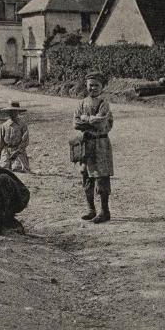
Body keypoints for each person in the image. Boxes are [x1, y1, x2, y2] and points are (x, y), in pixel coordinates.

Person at [73, 70, 114, 223]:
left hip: (101, 143)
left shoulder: (104, 104)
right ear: (86, 86)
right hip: (86, 143)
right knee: (86, 175)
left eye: (96, 85)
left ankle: (105, 211)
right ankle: (91, 209)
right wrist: (92, 121)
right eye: (90, 85)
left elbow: (102, 122)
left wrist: (86, 118)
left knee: (102, 176)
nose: (93, 88)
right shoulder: (81, 103)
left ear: (102, 87)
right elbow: (75, 123)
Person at [0, 101, 31, 173]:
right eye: (10, 111)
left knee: (18, 169)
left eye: (14, 111)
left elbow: (25, 141)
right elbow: (0, 141)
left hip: (18, 151)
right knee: (3, 168)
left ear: (18, 112)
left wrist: (18, 151)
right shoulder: (4, 126)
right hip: (6, 151)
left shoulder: (23, 125)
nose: (12, 113)